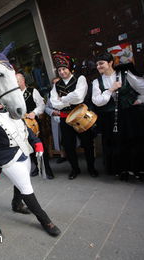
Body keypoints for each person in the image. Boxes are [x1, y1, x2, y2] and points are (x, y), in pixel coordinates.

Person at [0, 100, 61, 237]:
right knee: (27, 189)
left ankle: (16, 204)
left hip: (24, 151)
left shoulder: (13, 113)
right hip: (7, 158)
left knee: (22, 181)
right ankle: (45, 221)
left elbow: (26, 130)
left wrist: (37, 143)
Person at [92, 52, 144, 178]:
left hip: (129, 115)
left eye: (101, 63)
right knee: (116, 143)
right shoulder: (96, 82)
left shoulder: (125, 74)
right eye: (97, 64)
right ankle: (121, 170)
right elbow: (97, 101)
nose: (98, 66)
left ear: (110, 63)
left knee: (134, 140)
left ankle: (137, 169)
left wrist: (141, 100)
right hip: (110, 117)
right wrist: (110, 90)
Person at [50, 52, 98, 180]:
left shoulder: (80, 79)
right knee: (68, 145)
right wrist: (64, 101)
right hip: (65, 118)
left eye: (64, 69)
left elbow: (79, 97)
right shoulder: (56, 85)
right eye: (59, 70)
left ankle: (91, 168)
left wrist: (63, 99)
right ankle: (74, 169)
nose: (62, 72)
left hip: (81, 116)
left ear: (69, 68)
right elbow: (54, 103)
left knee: (87, 143)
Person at [17, 73, 54, 179]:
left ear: (23, 80)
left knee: (39, 146)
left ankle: (47, 169)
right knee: (28, 147)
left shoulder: (32, 91)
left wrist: (34, 112)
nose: (15, 83)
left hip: (33, 123)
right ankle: (37, 167)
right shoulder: (13, 94)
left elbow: (41, 105)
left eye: (17, 81)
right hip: (20, 124)